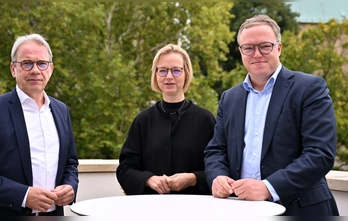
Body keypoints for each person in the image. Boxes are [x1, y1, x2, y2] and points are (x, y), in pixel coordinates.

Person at [204, 14, 339, 216]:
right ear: (241, 52)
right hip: (240, 210)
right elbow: (216, 150)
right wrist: (218, 177)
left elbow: (320, 153)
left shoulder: (309, 88)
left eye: (265, 46)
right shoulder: (229, 98)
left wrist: (268, 187)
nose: (256, 53)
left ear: (279, 48)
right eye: (248, 48)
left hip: (300, 210)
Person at [0, 33, 79, 216]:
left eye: (42, 63)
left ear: (50, 69)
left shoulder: (61, 110)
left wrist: (70, 186)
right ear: (13, 69)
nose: (35, 70)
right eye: (27, 63)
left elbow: (70, 162)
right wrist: (23, 195)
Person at [116, 44, 216, 195]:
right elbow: (125, 170)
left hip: (195, 210)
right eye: (163, 70)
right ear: (156, 75)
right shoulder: (143, 121)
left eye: (176, 70)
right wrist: (148, 179)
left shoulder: (205, 120)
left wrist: (193, 178)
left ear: (186, 74)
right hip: (151, 210)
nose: (169, 76)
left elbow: (219, 168)